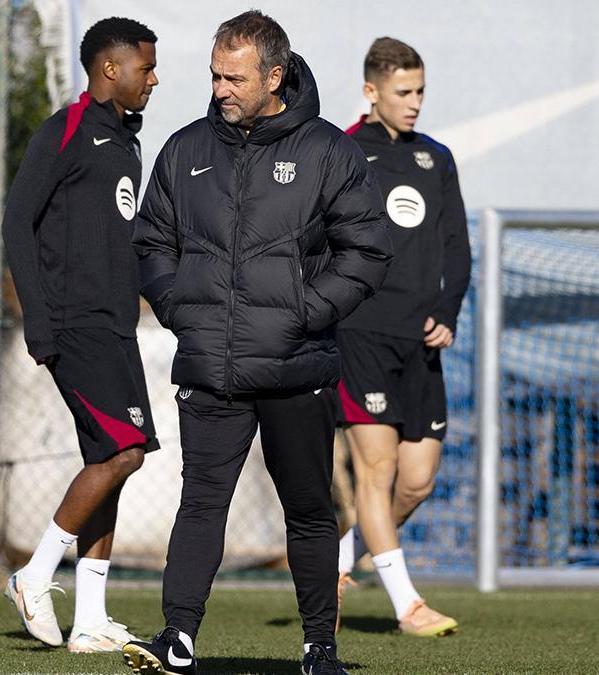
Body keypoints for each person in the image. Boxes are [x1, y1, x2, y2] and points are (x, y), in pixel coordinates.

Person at [122, 10, 391, 675]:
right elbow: (152, 242)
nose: (220, 89)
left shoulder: (329, 150)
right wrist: (182, 307)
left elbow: (367, 250)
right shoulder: (184, 150)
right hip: (210, 364)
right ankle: (177, 637)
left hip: (297, 366)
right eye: (215, 74)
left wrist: (308, 309)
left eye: (234, 77)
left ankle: (319, 647)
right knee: (201, 502)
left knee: (308, 509)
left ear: (275, 76)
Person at [0, 17, 160, 653]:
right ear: (110, 69)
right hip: (73, 323)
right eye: (145, 67)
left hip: (116, 325)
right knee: (121, 452)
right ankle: (34, 575)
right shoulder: (63, 129)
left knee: (118, 460)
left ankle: (90, 617)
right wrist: (39, 321)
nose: (154, 78)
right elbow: (18, 224)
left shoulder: (128, 141)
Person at [334, 37, 470, 638]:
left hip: (420, 343)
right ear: (372, 92)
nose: (414, 103)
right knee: (378, 471)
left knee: (417, 480)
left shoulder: (435, 158)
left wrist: (448, 309)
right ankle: (408, 604)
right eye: (403, 93)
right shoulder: (338, 151)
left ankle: (336, 560)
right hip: (360, 334)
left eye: (420, 92)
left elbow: (456, 248)